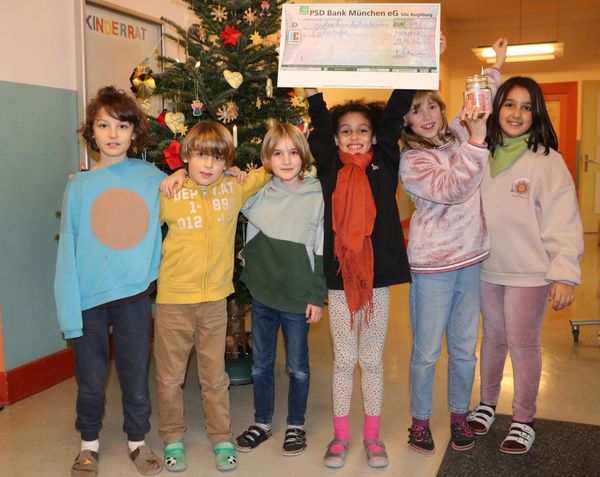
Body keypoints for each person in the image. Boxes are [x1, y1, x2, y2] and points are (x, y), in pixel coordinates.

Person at [399, 37, 507, 455]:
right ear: (405, 121)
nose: (425, 115)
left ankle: (458, 415)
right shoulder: (413, 160)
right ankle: (420, 422)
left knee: (465, 349)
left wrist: (496, 66)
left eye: (431, 106)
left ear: (444, 109)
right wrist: (477, 144)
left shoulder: (460, 133)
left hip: (471, 260)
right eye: (414, 109)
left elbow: (480, 104)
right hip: (432, 267)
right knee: (427, 351)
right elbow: (454, 188)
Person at [303, 76, 415, 469]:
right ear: (335, 140)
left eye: (362, 131)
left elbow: (394, 118)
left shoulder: (384, 161)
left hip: (377, 280)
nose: (355, 136)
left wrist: (413, 70)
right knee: (343, 359)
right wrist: (313, 95)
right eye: (346, 131)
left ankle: (372, 436)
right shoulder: (330, 167)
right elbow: (317, 129)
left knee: (371, 359)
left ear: (373, 137)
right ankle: (340, 436)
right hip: (340, 279)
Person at [55, 86, 167, 477]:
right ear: (92, 131)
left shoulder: (152, 177)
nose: (113, 133)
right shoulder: (78, 186)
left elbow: (193, 194)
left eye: (122, 125)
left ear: (135, 132)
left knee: (135, 373)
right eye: (104, 125)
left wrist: (227, 172)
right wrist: (68, 310)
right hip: (87, 298)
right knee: (90, 378)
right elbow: (66, 251)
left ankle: (138, 441)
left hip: (134, 295)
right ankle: (88, 443)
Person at [468, 76, 584, 454]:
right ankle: (486, 404)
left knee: (522, 344)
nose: (516, 113)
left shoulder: (547, 161)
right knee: (493, 338)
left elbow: (563, 220)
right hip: (487, 269)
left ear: (537, 114)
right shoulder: (479, 152)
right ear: (495, 107)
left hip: (529, 274)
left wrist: (564, 273)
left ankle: (522, 419)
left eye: (526, 106)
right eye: (509, 104)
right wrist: (489, 73)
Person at [154, 120, 269, 473]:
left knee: (214, 376)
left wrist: (240, 171)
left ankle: (222, 437)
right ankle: (173, 438)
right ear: (187, 156)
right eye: (201, 156)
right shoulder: (168, 192)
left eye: (217, 159)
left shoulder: (232, 188)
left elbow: (269, 170)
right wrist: (173, 173)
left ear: (226, 162)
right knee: (170, 377)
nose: (208, 165)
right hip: (173, 299)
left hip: (215, 300)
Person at [234, 123, 326, 456]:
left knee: (298, 366)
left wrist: (317, 295)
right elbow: (219, 188)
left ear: (303, 155)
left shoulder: (318, 195)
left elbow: (320, 248)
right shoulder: (258, 192)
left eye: (292, 152)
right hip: (263, 294)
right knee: (260, 364)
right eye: (277, 153)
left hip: (299, 297)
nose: (286, 160)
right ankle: (261, 422)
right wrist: (235, 173)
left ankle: (296, 425)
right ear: (266, 159)